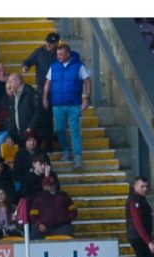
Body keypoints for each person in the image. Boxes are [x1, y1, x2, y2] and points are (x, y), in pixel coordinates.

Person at [44, 43, 90, 171]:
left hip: (74, 104)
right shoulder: (53, 66)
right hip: (57, 104)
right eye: (57, 54)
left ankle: (77, 157)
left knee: (75, 130)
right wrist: (45, 98)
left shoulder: (79, 66)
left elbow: (87, 81)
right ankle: (66, 149)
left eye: (60, 54)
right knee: (59, 129)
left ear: (68, 54)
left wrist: (86, 98)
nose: (58, 56)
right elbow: (48, 83)